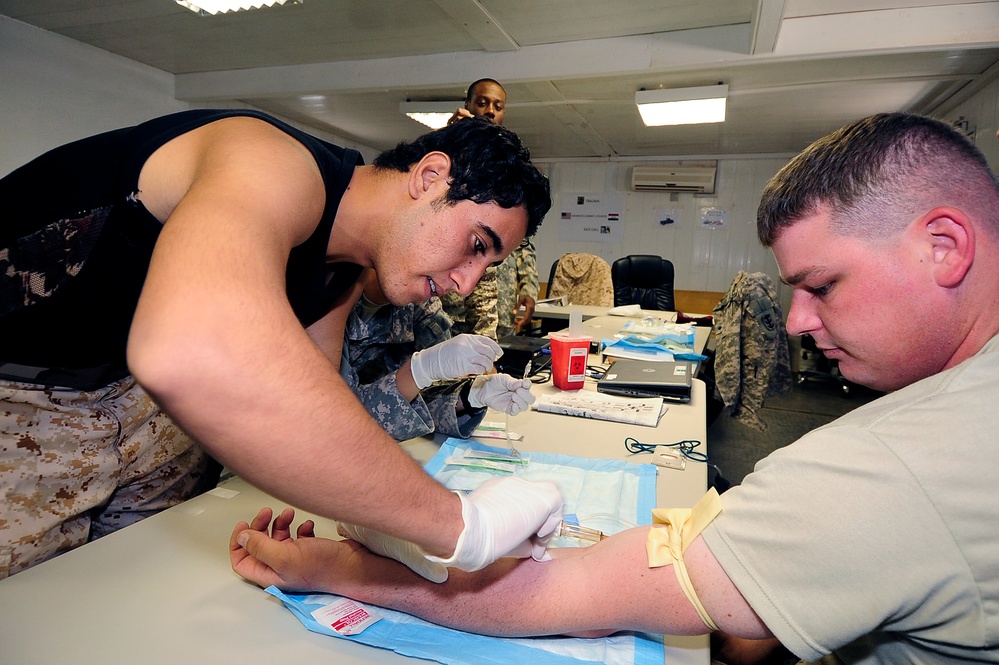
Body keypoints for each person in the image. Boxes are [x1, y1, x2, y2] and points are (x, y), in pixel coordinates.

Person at [230, 112, 999, 664]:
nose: (796, 322)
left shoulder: (896, 465)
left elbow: (560, 595)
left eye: (822, 284)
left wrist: (330, 567)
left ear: (944, 246)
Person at [0, 108, 561, 578]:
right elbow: (191, 349)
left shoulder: (343, 269)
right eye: (475, 244)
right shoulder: (271, 159)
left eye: (487, 265)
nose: (466, 282)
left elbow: (323, 412)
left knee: (136, 587)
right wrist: (459, 524)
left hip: (130, 394)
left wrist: (373, 525)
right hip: (19, 393)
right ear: (430, 175)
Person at [340, 269, 534, 441]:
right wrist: (418, 371)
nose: (465, 287)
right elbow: (339, 428)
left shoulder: (421, 302)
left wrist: (470, 396)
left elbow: (415, 405)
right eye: (475, 247)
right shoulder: (324, 296)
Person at [442, 78, 541, 339]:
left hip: (498, 301)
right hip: (447, 306)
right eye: (483, 103)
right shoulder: (446, 154)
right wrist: (449, 138)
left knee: (492, 367)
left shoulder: (506, 166)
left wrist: (529, 287)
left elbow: (523, 241)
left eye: (498, 106)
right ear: (468, 106)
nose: (490, 111)